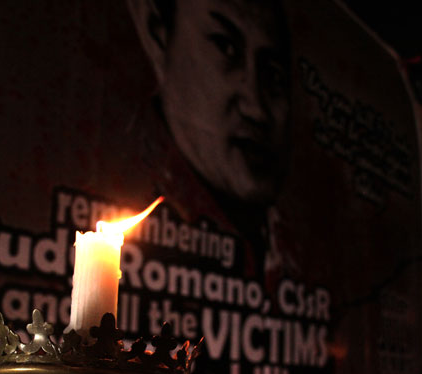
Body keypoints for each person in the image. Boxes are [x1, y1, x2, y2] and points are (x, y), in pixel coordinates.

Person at [127, 0, 298, 285]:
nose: (256, 107)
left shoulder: (291, 254)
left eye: (274, 75)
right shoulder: (134, 203)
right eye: (226, 47)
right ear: (158, 35)